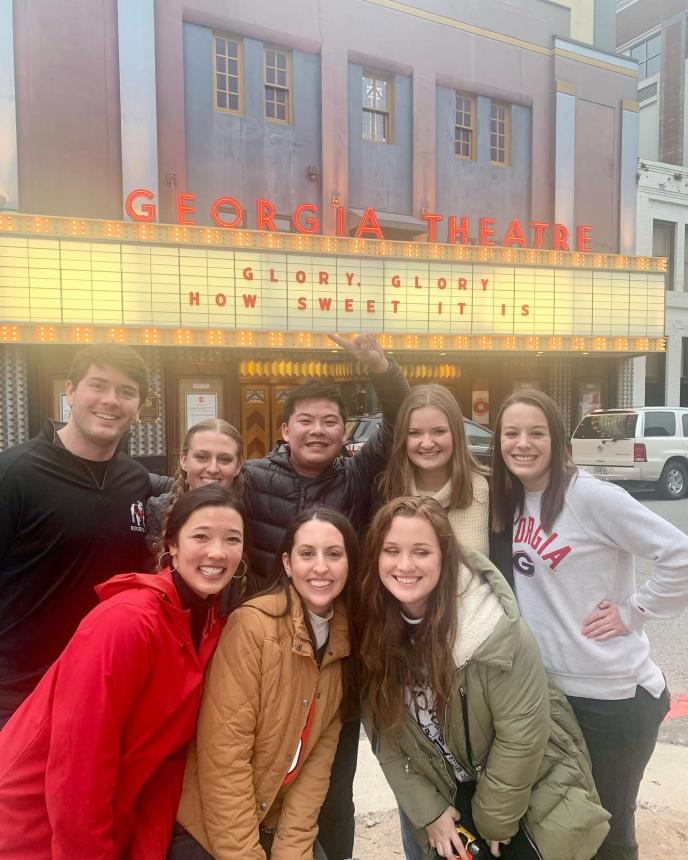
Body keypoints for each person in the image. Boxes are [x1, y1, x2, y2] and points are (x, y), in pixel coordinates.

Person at [490, 388, 688, 860]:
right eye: (511, 432)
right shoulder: (513, 499)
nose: (523, 443)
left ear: (558, 439)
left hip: (612, 700)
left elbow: (680, 554)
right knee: (562, 829)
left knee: (607, 834)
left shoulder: (592, 497)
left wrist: (632, 612)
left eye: (536, 432)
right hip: (553, 695)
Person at [0, 484, 248, 859]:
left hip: (112, 822)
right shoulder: (127, 622)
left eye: (232, 539)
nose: (218, 552)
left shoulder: (209, 627)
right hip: (32, 831)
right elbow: (77, 769)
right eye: (201, 536)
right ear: (173, 546)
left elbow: (165, 763)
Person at [359, 496, 609, 860]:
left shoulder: (492, 629)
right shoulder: (372, 632)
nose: (405, 565)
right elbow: (386, 738)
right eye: (391, 550)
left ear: (446, 557)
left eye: (421, 552)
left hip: (526, 793)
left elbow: (522, 736)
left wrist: (492, 822)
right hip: (448, 790)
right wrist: (429, 811)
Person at [243, 332, 409, 860]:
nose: (318, 431)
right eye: (306, 421)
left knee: (333, 790)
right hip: (267, 661)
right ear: (285, 427)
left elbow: (400, 416)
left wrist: (381, 368)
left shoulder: (357, 478)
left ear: (344, 431)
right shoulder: (249, 480)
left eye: (330, 421)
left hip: (340, 659)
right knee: (259, 781)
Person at [168, 507, 357, 860]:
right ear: (287, 564)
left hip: (272, 820)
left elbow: (313, 771)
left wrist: (292, 851)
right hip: (208, 829)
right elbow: (224, 761)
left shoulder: (344, 641)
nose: (320, 567)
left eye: (334, 554)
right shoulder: (252, 627)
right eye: (306, 554)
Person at [0, 343, 153, 726]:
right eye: (98, 385)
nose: (111, 401)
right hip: (19, 693)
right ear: (70, 390)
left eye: (126, 392)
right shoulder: (14, 473)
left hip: (103, 685)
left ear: (138, 407)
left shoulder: (134, 480)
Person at [380, 384, 489, 555]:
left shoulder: (489, 491)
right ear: (403, 437)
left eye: (438, 431)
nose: (427, 443)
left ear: (456, 434)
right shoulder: (384, 492)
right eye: (415, 433)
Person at [146, 418, 243, 553]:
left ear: (238, 466)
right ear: (184, 460)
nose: (213, 469)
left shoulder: (253, 515)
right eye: (202, 457)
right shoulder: (156, 511)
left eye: (225, 459)